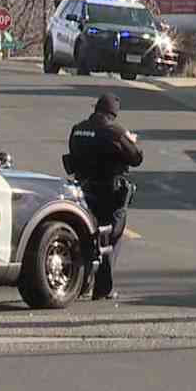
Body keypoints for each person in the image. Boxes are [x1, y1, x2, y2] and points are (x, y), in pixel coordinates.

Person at [66, 93, 143, 301]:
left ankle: (81, 284)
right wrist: (130, 141)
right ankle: (103, 288)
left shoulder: (78, 129)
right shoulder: (115, 132)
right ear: (113, 113)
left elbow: (72, 156)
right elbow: (136, 158)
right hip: (108, 192)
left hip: (83, 189)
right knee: (111, 236)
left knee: (84, 235)